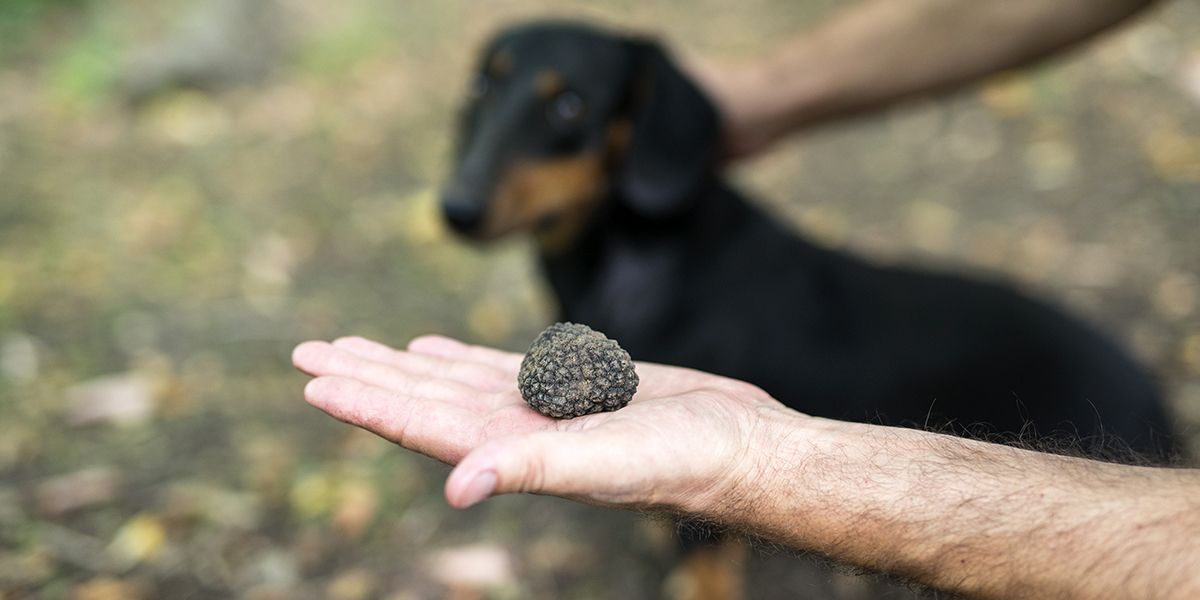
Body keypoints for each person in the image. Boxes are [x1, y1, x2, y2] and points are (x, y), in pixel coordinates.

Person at [293, 1, 1200, 597]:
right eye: (489, 97)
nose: (477, 180)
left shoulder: (689, 298)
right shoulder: (644, 273)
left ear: (640, 128)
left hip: (1094, 413)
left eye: (565, 115)